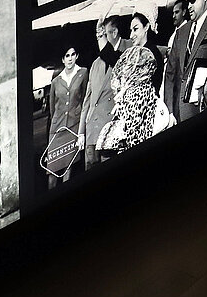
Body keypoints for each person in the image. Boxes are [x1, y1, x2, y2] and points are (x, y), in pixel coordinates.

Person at [96, 13, 165, 154]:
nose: (131, 34)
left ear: (146, 27)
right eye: (131, 30)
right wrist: (100, 33)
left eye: (135, 29)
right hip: (134, 119)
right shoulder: (136, 54)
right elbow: (111, 56)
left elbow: (117, 60)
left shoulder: (150, 54)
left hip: (144, 118)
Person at [78, 18, 128, 169]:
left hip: (110, 131)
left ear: (114, 33)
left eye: (103, 34)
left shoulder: (124, 58)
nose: (100, 38)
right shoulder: (95, 64)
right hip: (92, 130)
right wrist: (81, 132)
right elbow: (87, 101)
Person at [45, 45, 88, 186]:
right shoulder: (56, 81)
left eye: (73, 54)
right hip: (57, 130)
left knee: (68, 168)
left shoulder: (83, 73)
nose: (70, 58)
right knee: (51, 171)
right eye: (67, 56)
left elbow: (85, 100)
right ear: (63, 59)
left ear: (77, 56)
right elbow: (52, 108)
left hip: (73, 127)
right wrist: (56, 122)